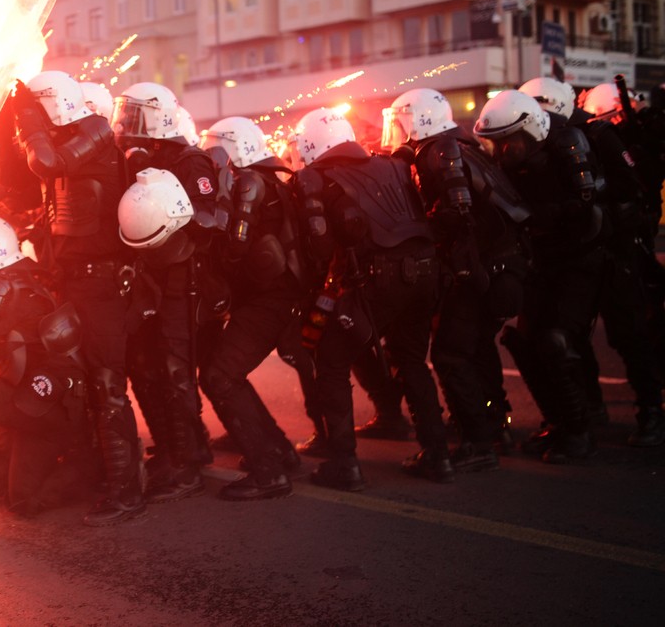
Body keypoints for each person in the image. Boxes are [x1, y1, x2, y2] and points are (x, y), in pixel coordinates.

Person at [6, 70, 145, 526]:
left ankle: (127, 492)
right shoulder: (64, 139)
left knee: (108, 388)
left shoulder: (95, 130)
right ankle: (96, 476)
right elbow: (18, 178)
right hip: (72, 281)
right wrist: (6, 121)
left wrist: (27, 119)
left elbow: (46, 164)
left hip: (102, 285)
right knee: (81, 387)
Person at [292, 106, 449, 490]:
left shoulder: (318, 178)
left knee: (329, 362)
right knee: (412, 360)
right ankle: (438, 455)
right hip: (426, 272)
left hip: (375, 280)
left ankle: (344, 464)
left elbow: (320, 247)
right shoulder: (391, 164)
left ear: (311, 145)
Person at [383, 88, 532, 471]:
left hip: (480, 271)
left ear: (417, 120)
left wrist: (417, 231)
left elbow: (457, 215)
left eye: (400, 123)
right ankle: (495, 426)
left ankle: (479, 442)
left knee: (450, 355)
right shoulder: (460, 145)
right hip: (500, 269)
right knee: (477, 349)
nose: (396, 132)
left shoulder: (441, 152)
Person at [474, 89, 604, 463]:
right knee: (523, 341)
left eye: (508, 145)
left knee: (556, 341)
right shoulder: (510, 163)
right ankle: (556, 422)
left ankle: (579, 431)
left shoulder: (566, 147)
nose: (501, 153)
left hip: (580, 259)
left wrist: (542, 215)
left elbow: (586, 203)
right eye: (495, 145)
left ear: (529, 130)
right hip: (540, 262)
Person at [112, 82, 227, 502]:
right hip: (154, 281)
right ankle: (177, 448)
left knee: (177, 373)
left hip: (184, 283)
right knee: (147, 367)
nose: (125, 125)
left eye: (133, 116)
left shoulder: (189, 160)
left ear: (157, 117)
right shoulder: (146, 157)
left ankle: (188, 464)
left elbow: (210, 220)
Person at [0, 211, 90, 538]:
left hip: (40, 401)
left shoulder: (0, 284)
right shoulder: (23, 273)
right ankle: (82, 471)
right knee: (24, 501)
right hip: (46, 402)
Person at [195, 116, 304, 500]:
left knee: (220, 376)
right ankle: (277, 450)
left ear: (234, 148)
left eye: (216, 151)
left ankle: (268, 470)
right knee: (229, 373)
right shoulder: (270, 179)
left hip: (269, 299)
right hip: (277, 296)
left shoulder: (250, 184)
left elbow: (235, 246)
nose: (212, 159)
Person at [574, 80, 665, 447]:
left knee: (630, 335)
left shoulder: (636, 152)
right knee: (579, 332)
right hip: (598, 253)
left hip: (625, 255)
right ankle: (592, 407)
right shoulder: (616, 147)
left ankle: (651, 413)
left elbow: (634, 198)